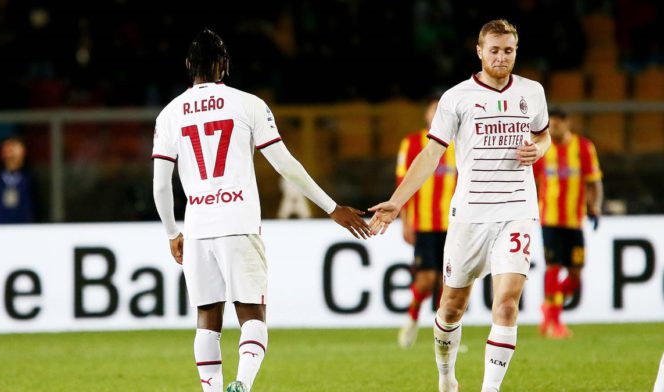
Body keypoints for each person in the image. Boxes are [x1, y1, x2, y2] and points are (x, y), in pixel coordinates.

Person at [151, 29, 370, 392]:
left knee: (207, 318)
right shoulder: (248, 104)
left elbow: (161, 185)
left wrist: (173, 232)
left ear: (189, 66)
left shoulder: (169, 114)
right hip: (238, 222)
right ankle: (243, 384)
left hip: (198, 226)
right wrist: (332, 208)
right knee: (252, 314)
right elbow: (285, 164)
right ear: (224, 64)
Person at [369, 19, 551, 392]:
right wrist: (397, 202)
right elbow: (432, 153)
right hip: (469, 215)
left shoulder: (532, 92)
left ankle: (489, 389)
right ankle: (447, 376)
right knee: (451, 306)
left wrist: (540, 148)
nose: (502, 58)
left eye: (509, 51)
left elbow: (543, 134)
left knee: (506, 303)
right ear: (480, 51)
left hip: (517, 211)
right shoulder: (457, 98)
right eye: (495, 50)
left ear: (516, 51)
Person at [533, 108, 603, 339]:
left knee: (575, 276)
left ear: (568, 123)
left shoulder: (583, 148)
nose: (554, 127)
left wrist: (595, 206)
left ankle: (549, 307)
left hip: (574, 221)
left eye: (558, 123)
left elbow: (594, 182)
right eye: (551, 123)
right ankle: (554, 322)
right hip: (550, 220)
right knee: (553, 267)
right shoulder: (542, 149)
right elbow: (531, 180)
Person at [397, 98, 457, 348]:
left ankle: (442, 335)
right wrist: (404, 220)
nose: (436, 114)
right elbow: (402, 182)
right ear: (426, 115)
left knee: (449, 282)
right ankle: (411, 320)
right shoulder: (411, 143)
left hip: (454, 224)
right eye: (433, 109)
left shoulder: (458, 144)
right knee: (426, 279)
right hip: (423, 223)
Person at [0, 137, 40, 223]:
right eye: (7, 148)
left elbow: (38, 205)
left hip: (26, 228)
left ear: (23, 151)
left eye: (13, 147)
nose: (10, 152)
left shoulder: (31, 177)